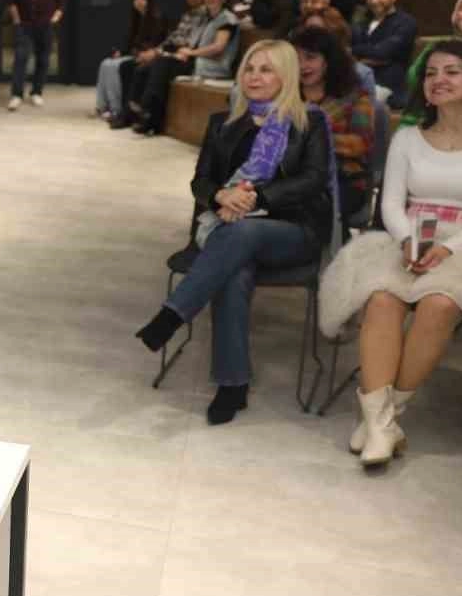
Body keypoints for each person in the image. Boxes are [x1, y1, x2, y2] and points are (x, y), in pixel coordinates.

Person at [319, 41, 462, 467]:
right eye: (431, 73)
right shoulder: (407, 137)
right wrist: (409, 240)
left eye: (452, 71)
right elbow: (391, 203)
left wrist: (449, 248)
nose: (438, 80)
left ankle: (382, 419)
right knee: (381, 298)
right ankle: (381, 423)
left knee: (440, 303)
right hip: (409, 234)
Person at [134, 41, 334, 425]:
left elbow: (313, 180)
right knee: (233, 270)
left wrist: (257, 198)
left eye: (266, 69)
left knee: (243, 234)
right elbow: (200, 181)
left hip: (294, 231)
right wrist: (221, 195)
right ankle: (232, 384)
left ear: (286, 75)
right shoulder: (223, 123)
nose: (254, 77)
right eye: (249, 69)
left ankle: (172, 316)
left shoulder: (310, 123)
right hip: (227, 228)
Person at [292, 25, 376, 231]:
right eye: (296, 59)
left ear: (328, 60)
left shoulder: (354, 97)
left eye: (310, 58)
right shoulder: (285, 96)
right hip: (293, 177)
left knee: (306, 207)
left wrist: (312, 138)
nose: (302, 66)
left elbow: (360, 144)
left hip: (342, 179)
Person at [126, 0, 238, 136]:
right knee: (152, 66)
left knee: (162, 65)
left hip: (212, 65)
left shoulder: (227, 19)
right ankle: (141, 110)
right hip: (196, 59)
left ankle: (148, 112)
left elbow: (218, 47)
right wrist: (182, 53)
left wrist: (191, 53)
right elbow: (192, 42)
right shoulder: (208, 18)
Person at [113, 0, 207, 129]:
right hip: (172, 52)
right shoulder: (187, 15)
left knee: (149, 68)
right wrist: (155, 51)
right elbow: (172, 38)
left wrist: (157, 53)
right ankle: (128, 112)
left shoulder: (205, 17)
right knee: (127, 66)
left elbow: (189, 44)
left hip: (186, 57)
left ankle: (147, 116)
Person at [6, 0, 64, 110]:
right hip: (24, 24)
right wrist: (16, 20)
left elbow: (62, 2)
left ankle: (36, 92)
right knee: (20, 58)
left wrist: (54, 19)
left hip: (45, 24)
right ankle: (16, 95)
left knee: (43, 59)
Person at [95, 0, 166, 121]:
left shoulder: (157, 18)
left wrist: (138, 52)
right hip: (134, 53)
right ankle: (102, 106)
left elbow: (155, 43)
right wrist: (121, 52)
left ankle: (116, 109)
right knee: (105, 63)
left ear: (149, 1)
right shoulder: (137, 18)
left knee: (115, 66)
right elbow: (129, 43)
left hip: (144, 55)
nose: (138, 1)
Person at [351, 0, 418, 110]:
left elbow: (382, 53)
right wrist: (366, 55)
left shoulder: (405, 22)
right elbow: (348, 50)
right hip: (358, 82)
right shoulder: (362, 22)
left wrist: (358, 55)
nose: (374, 1)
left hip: (389, 87)